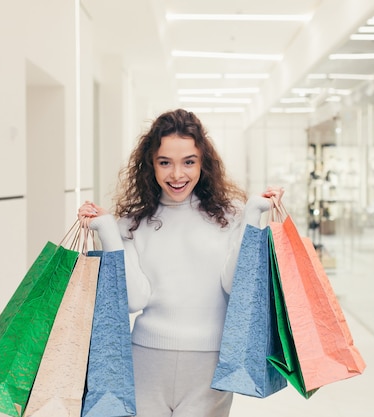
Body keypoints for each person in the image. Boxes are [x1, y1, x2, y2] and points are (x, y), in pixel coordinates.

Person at [78, 108, 283, 417]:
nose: (177, 175)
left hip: (211, 366)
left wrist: (254, 214)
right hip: (144, 362)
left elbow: (235, 285)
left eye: (188, 162)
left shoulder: (232, 216)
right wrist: (107, 231)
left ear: (203, 162)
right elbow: (133, 301)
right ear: (151, 165)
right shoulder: (131, 223)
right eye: (165, 163)